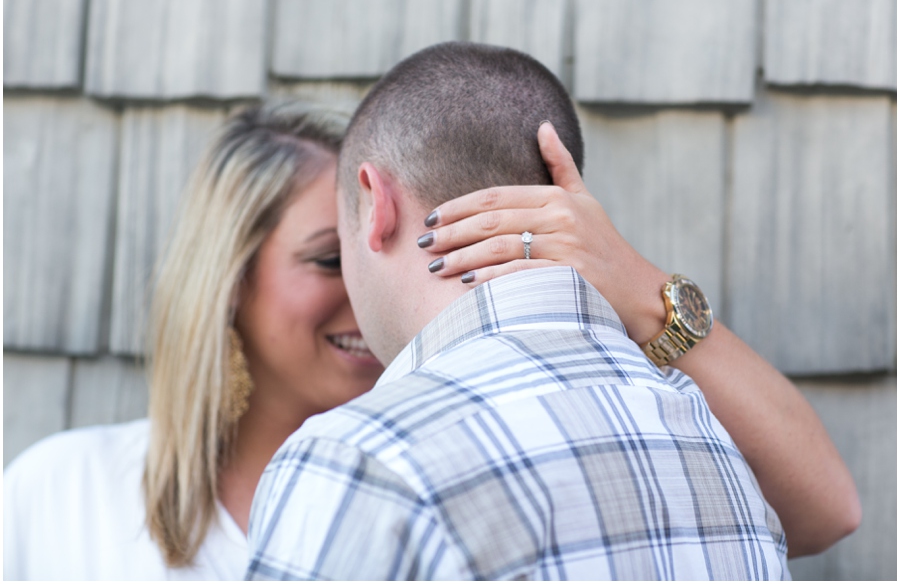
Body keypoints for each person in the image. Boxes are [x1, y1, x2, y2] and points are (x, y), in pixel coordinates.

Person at [5, 68, 857, 580]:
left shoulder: (489, 448)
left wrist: (638, 285)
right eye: (326, 260)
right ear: (225, 279)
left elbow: (827, 509)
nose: (371, 286)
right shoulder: (58, 494)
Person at [244, 42, 853, 580]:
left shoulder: (360, 460)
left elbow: (833, 508)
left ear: (375, 203)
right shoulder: (718, 444)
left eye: (335, 251)